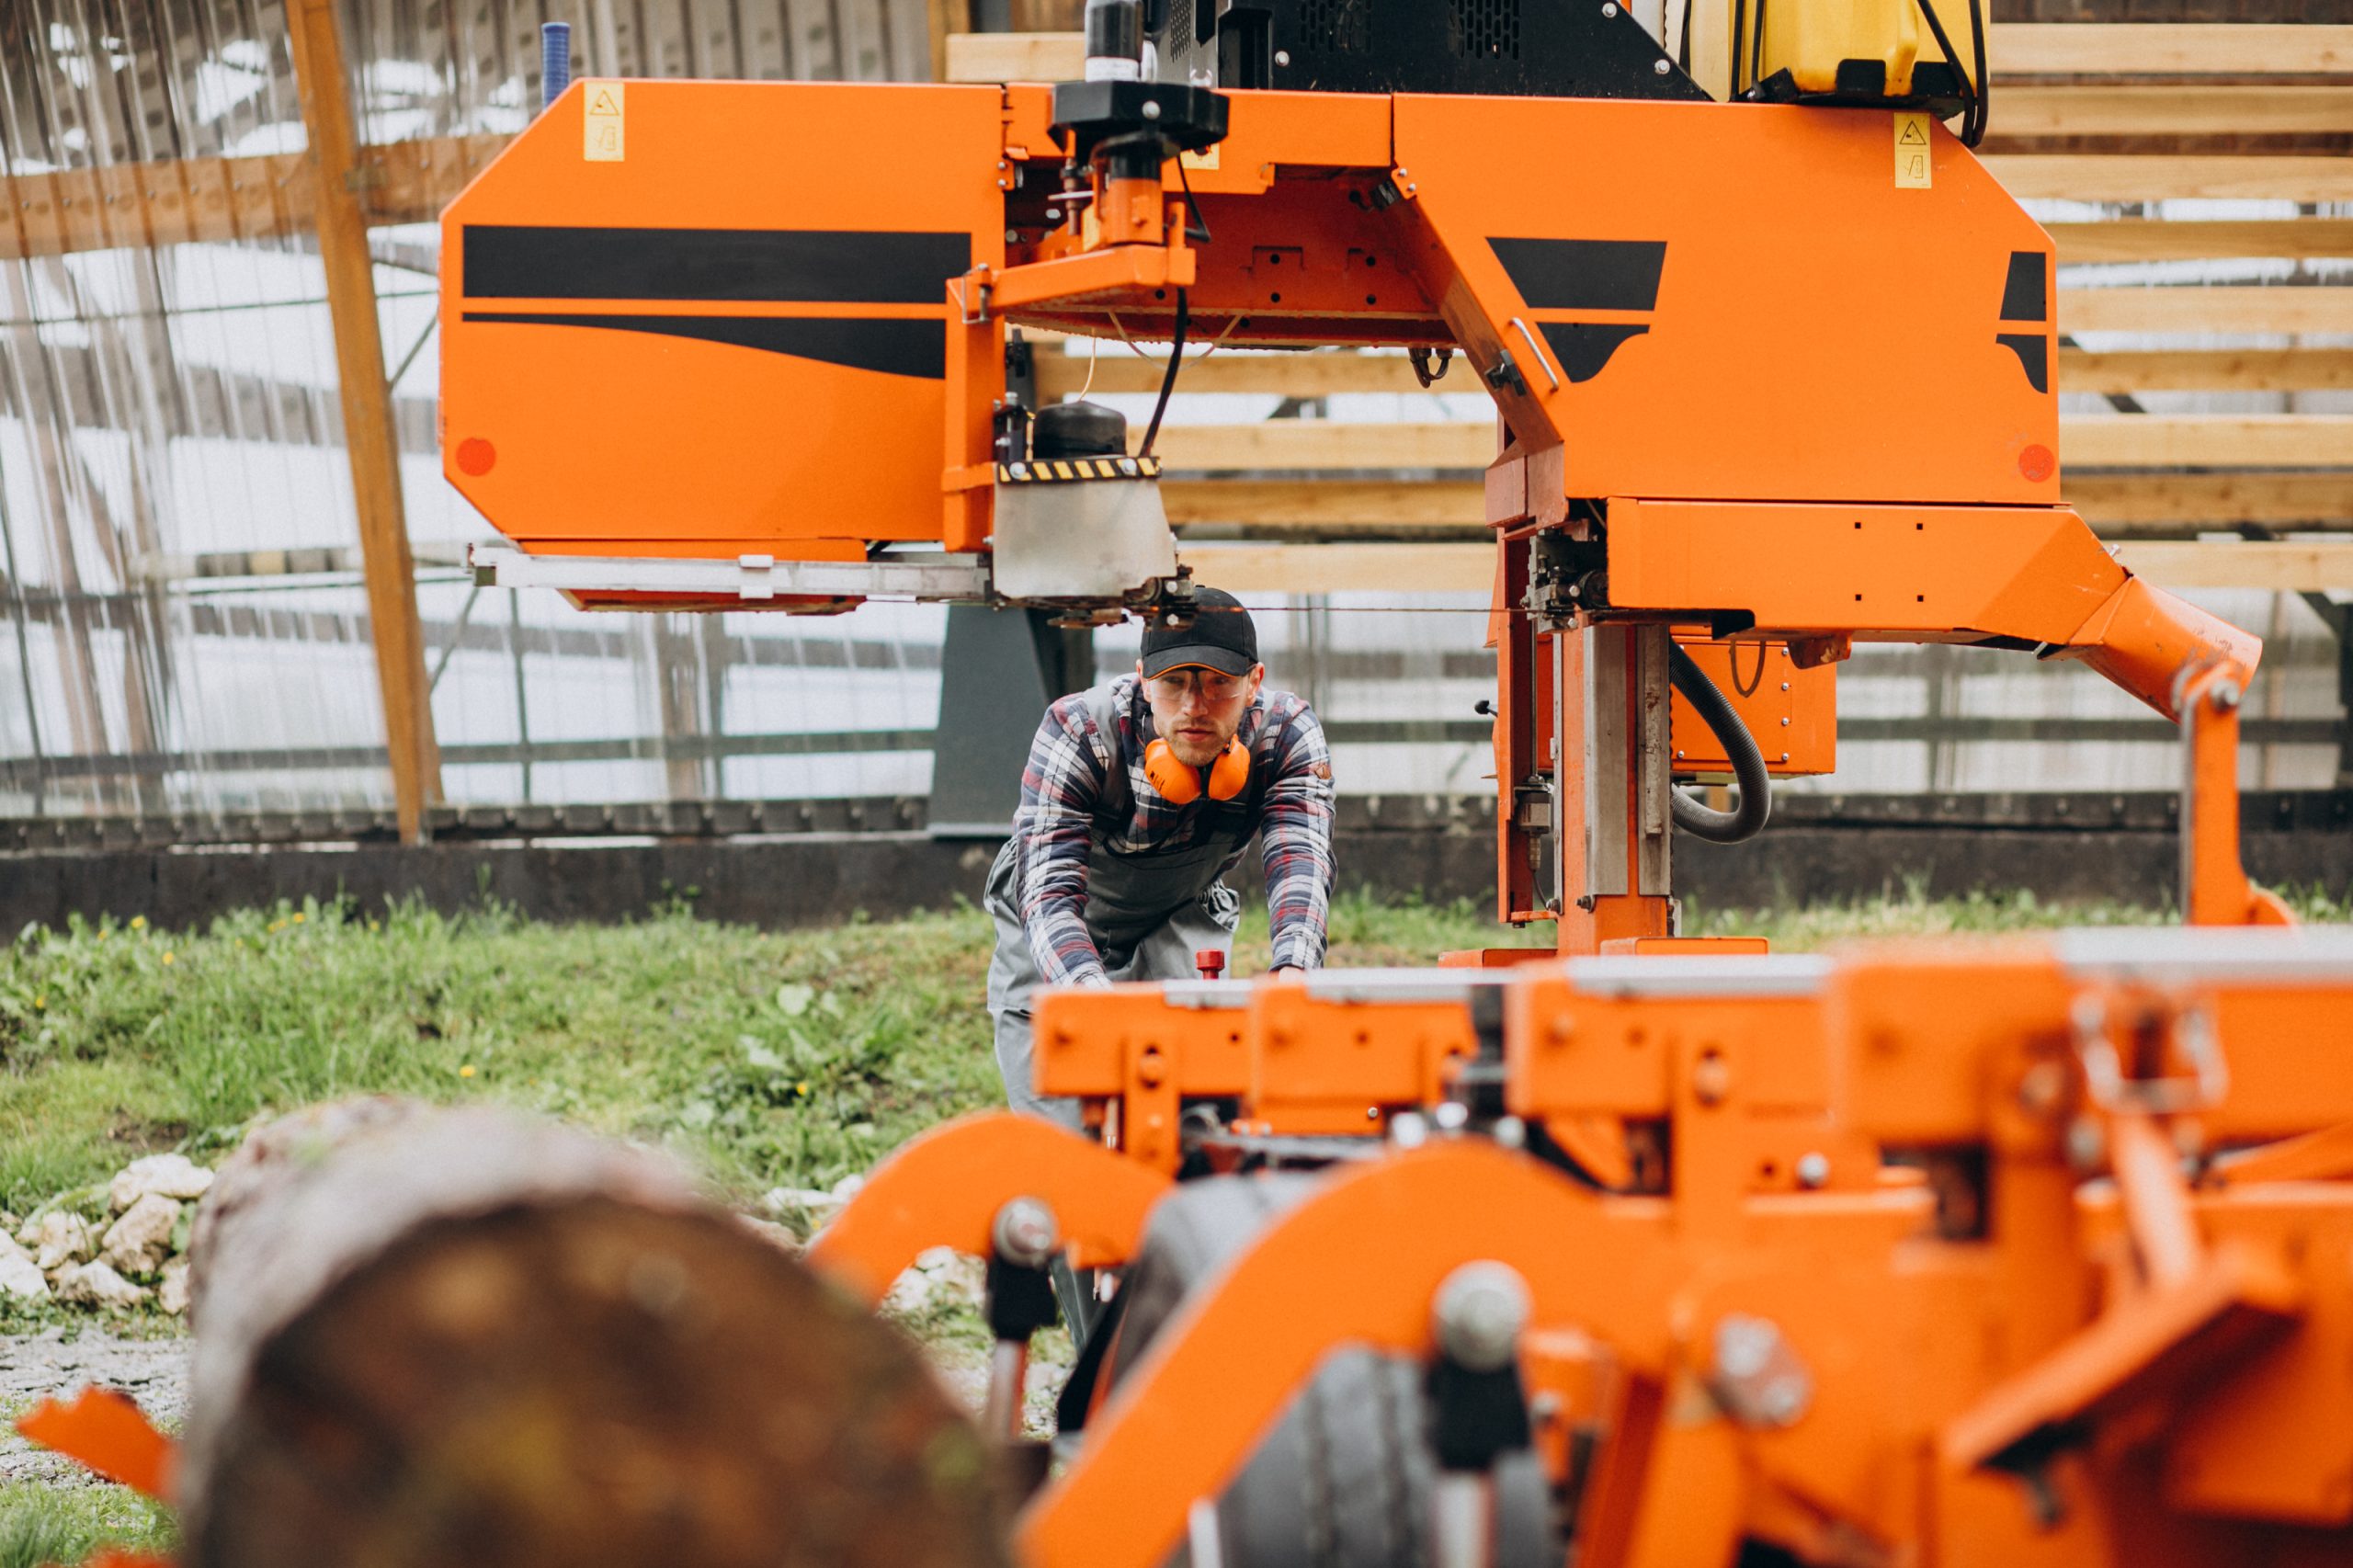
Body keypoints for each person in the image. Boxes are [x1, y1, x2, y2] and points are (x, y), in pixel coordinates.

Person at [984, 586, 1336, 1128]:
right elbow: (1049, 896)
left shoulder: (1285, 736)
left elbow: (1301, 866)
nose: (1195, 707)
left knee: (1194, 1120)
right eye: (1174, 683)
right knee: (1063, 1135)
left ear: (1254, 682)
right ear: (1145, 680)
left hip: (1178, 917)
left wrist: (1292, 977)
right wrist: (1095, 1003)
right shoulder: (1079, 731)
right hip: (1051, 936)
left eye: (1219, 683)